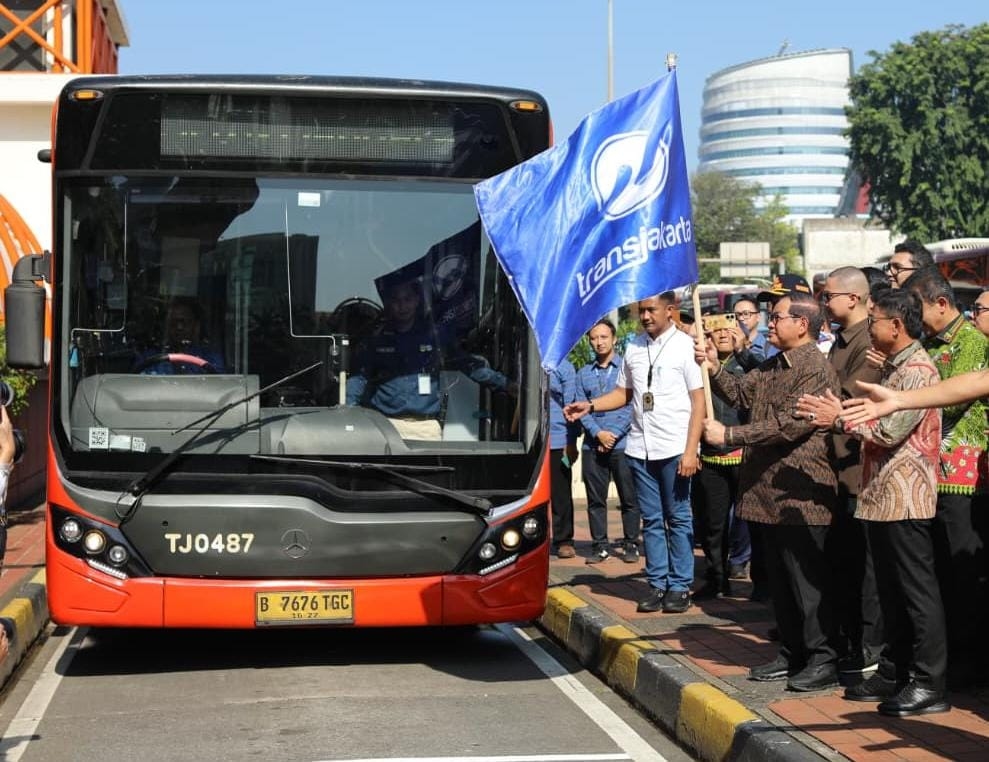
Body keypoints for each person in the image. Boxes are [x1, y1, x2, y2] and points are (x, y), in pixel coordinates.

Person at [799, 289, 950, 716]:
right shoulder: (895, 366)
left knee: (916, 594)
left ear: (896, 326)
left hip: (905, 498)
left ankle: (929, 682)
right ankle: (896, 669)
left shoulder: (917, 370)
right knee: (890, 594)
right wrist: (844, 410)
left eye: (875, 320)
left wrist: (840, 418)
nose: (870, 327)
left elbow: (888, 431)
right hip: (882, 496)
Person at [695, 291, 841, 692]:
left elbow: (789, 424)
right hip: (765, 492)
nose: (769, 324)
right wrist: (714, 368)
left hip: (799, 493)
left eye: (776, 317)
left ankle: (821, 657)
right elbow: (742, 394)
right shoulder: (775, 363)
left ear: (803, 324)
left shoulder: (815, 369)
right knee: (780, 581)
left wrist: (730, 434)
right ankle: (792, 652)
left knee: (806, 584)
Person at [565, 292, 705, 614]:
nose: (644, 316)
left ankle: (680, 585)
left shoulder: (686, 347)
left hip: (674, 448)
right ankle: (657, 584)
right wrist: (591, 405)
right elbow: (623, 393)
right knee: (652, 520)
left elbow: (699, 402)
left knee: (678, 518)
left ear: (670, 311)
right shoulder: (634, 346)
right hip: (641, 448)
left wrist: (690, 450)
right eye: (641, 311)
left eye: (651, 310)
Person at [897, 267, 989, 684]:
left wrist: (903, 399)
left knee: (964, 573)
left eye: (916, 308)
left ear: (940, 303)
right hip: (933, 472)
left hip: (964, 476)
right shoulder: (928, 344)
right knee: (942, 575)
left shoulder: (970, 341)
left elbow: (953, 401)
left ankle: (970, 664)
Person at [797, 267, 884, 676]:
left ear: (852, 298)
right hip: (836, 468)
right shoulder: (839, 342)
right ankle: (852, 643)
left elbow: (846, 400)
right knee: (845, 565)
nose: (822, 303)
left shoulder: (869, 341)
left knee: (866, 570)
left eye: (828, 296)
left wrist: (822, 403)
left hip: (860, 471)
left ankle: (869, 651)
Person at [347, 278, 515, 440]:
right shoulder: (375, 340)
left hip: (425, 428)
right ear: (388, 303)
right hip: (384, 426)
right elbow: (358, 379)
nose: (402, 305)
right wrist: (349, 415)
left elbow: (469, 365)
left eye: (408, 299)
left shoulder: (434, 338)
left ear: (417, 300)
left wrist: (507, 385)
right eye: (396, 300)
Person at [692, 312, 747, 599]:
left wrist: (744, 350)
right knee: (713, 525)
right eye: (716, 329)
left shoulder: (751, 362)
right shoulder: (699, 365)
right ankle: (716, 578)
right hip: (712, 456)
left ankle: (761, 582)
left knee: (753, 521)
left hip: (745, 453)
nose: (723, 333)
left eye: (730, 328)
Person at [575, 319, 640, 564]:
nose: (599, 342)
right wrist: (597, 434)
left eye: (604, 337)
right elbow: (581, 409)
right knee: (595, 500)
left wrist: (611, 434)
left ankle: (631, 543)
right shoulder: (584, 373)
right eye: (594, 338)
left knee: (629, 498)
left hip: (622, 444)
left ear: (614, 339)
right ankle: (600, 545)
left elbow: (633, 405)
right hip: (593, 445)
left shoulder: (627, 368)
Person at [135, 296, 225, 374]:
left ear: (196, 326)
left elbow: (218, 385)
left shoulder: (211, 358)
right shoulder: (148, 358)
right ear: (165, 326)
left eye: (184, 322)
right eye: (173, 322)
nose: (179, 327)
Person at [549, 359, 580, 558]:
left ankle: (564, 540)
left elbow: (573, 406)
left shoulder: (564, 366)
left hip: (559, 440)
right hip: (531, 437)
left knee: (560, 492)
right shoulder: (525, 359)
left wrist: (571, 442)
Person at [729, 297, 776, 370]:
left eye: (746, 314)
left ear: (758, 317)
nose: (741, 318)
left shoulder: (770, 349)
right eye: (737, 315)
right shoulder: (728, 346)